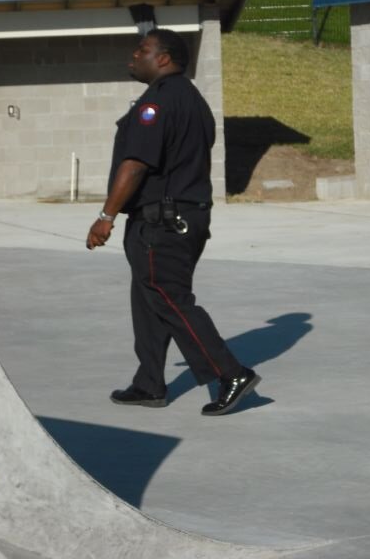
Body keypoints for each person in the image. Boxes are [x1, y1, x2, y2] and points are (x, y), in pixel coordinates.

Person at [86, 28, 260, 416]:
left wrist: (105, 217)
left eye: (142, 50)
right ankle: (149, 384)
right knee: (149, 301)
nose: (134, 56)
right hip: (184, 216)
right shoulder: (194, 101)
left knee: (169, 298)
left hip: (162, 222)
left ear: (163, 58)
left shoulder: (157, 103)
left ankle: (231, 374)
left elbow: (136, 164)